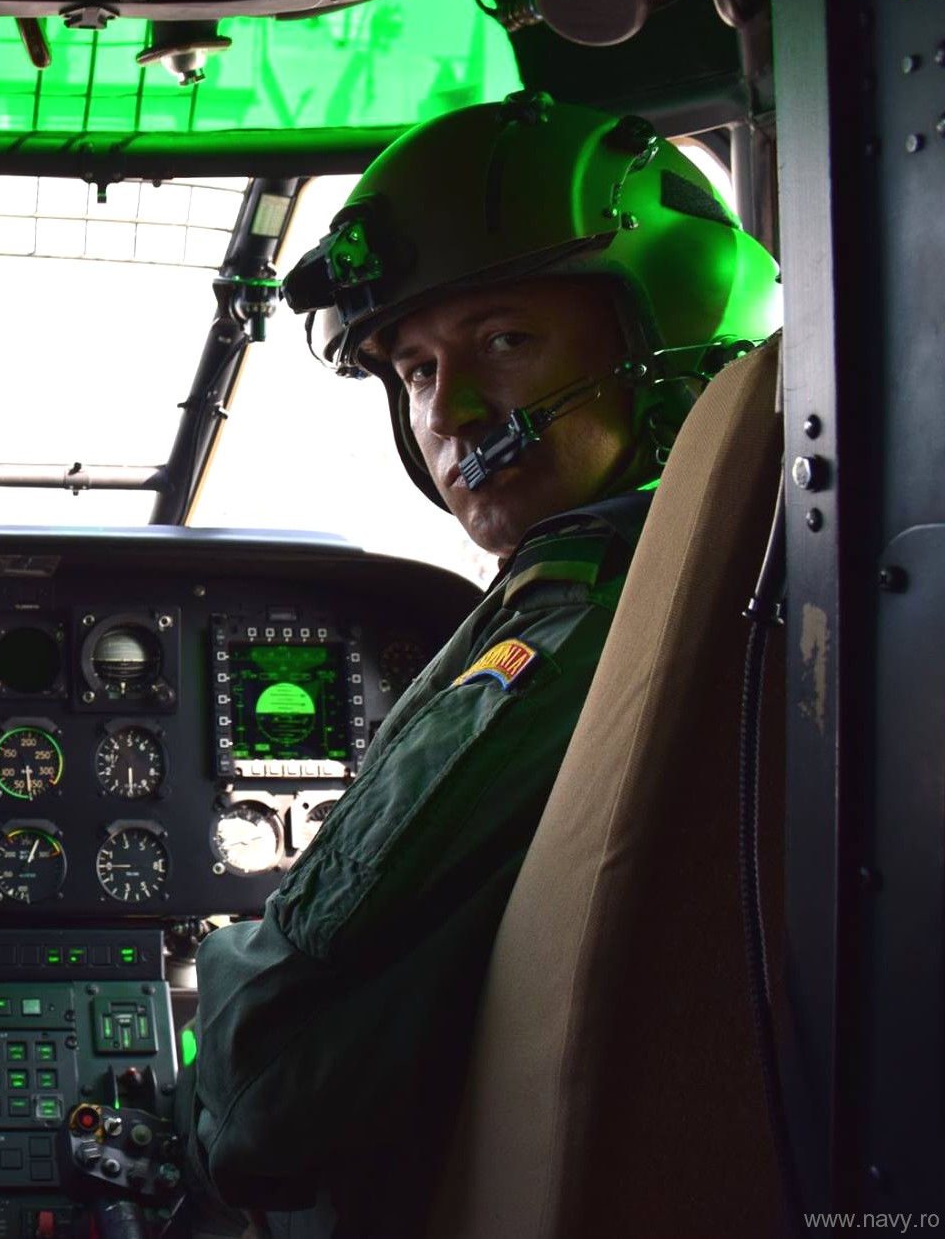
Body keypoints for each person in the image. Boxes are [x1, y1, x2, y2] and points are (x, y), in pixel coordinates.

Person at [177, 92, 782, 1237]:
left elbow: (264, 1088)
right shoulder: (706, 595)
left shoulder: (575, 629)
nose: (447, 411)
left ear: (662, 332)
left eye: (503, 340)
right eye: (410, 369)